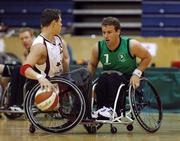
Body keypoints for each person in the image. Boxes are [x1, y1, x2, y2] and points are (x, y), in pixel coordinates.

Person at [87, 17, 152, 118]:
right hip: (108, 78)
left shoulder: (131, 45)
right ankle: (101, 109)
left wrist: (137, 73)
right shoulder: (98, 47)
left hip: (128, 78)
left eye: (109, 32)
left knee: (112, 76)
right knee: (102, 77)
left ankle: (113, 110)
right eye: (103, 32)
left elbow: (147, 57)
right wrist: (88, 80)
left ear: (118, 32)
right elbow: (92, 64)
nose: (106, 36)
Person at [0, 27, 34, 111]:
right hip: (25, 73)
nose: (24, 40)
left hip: (36, 75)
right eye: (22, 39)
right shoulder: (26, 52)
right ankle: (6, 101)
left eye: (26, 37)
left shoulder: (36, 48)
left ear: (32, 37)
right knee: (3, 71)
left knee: (18, 69)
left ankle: (15, 102)